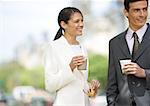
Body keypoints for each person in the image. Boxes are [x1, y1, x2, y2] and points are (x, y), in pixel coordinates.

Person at [44, 7, 100, 106]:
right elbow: (50, 85)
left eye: (82, 21)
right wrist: (70, 67)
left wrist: (92, 88)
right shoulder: (53, 47)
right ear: (63, 24)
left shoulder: (82, 48)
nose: (81, 24)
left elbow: (80, 83)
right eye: (76, 21)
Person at [106, 0, 150, 106]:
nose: (142, 14)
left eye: (145, 9)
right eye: (136, 10)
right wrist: (112, 103)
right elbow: (112, 82)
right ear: (126, 12)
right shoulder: (115, 43)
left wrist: (144, 73)